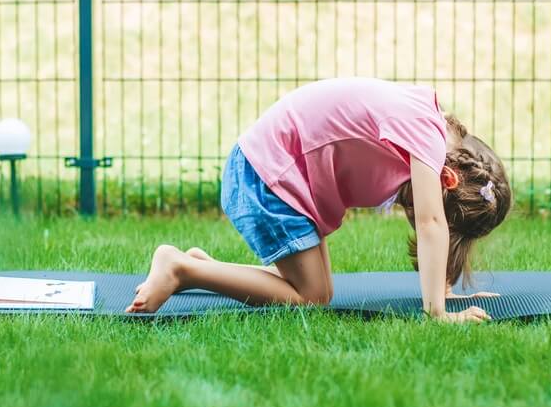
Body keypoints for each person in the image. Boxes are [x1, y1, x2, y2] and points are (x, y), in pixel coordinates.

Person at [127, 77, 511, 322]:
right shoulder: (427, 138)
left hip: (275, 173)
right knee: (311, 298)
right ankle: (179, 268)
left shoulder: (424, 118)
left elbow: (434, 221)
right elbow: (432, 224)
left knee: (319, 291)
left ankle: (204, 268)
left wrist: (444, 288)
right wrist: (437, 313)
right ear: (448, 178)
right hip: (267, 177)